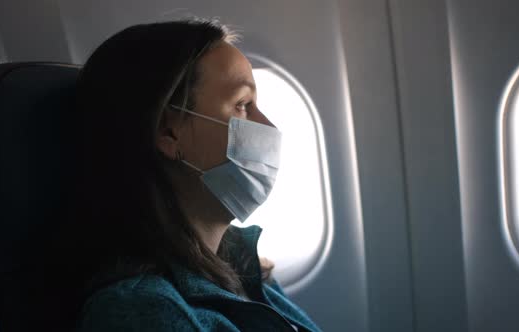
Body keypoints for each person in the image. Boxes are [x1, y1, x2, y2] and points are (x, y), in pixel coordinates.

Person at [49, 19, 321, 331]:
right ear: (168, 132)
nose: (269, 127)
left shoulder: (240, 263)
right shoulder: (143, 312)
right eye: (243, 105)